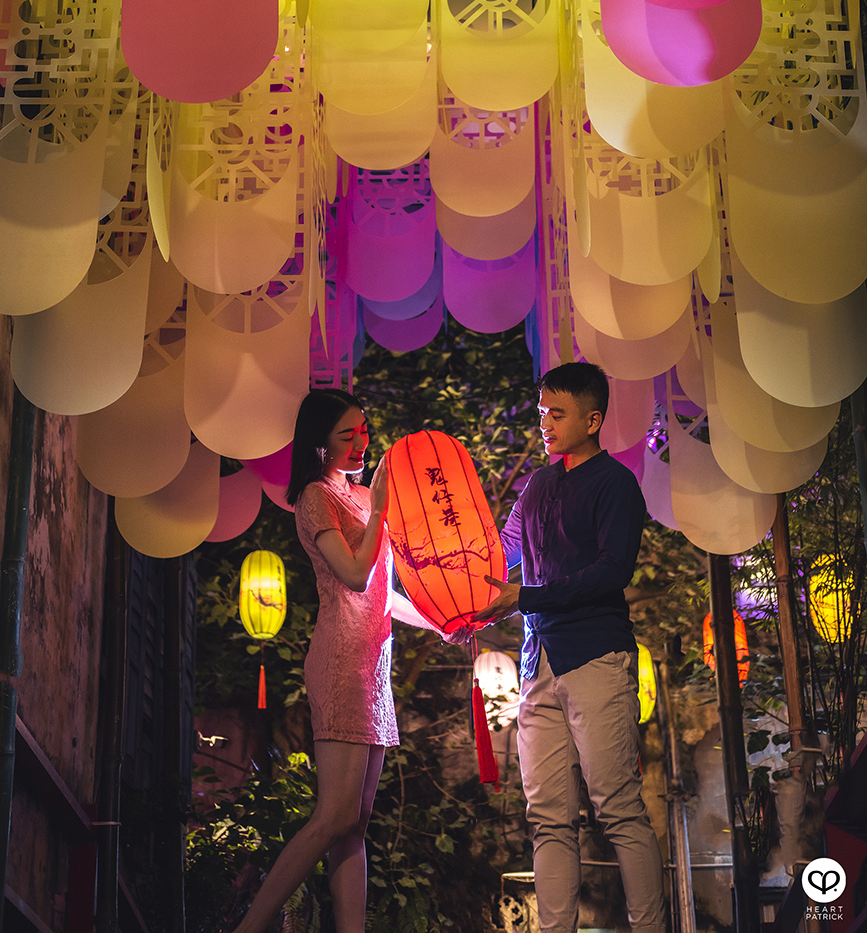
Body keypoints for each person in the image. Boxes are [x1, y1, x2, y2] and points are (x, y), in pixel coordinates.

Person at [474, 361, 666, 933]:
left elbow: (612, 572)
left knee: (618, 809)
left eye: (556, 414)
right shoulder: (536, 484)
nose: (545, 424)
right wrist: (449, 581)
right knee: (548, 818)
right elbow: (502, 550)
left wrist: (525, 595)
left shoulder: (616, 484)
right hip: (538, 664)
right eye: (541, 414)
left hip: (597, 659)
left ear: (593, 418)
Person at [231, 388, 428, 933]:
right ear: (320, 445)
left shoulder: (363, 497)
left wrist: (443, 623)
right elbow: (355, 575)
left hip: (374, 662)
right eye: (348, 435)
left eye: (364, 429)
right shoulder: (317, 498)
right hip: (341, 657)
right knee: (335, 815)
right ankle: (251, 927)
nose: (362, 442)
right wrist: (383, 509)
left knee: (356, 824)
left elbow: (384, 592)